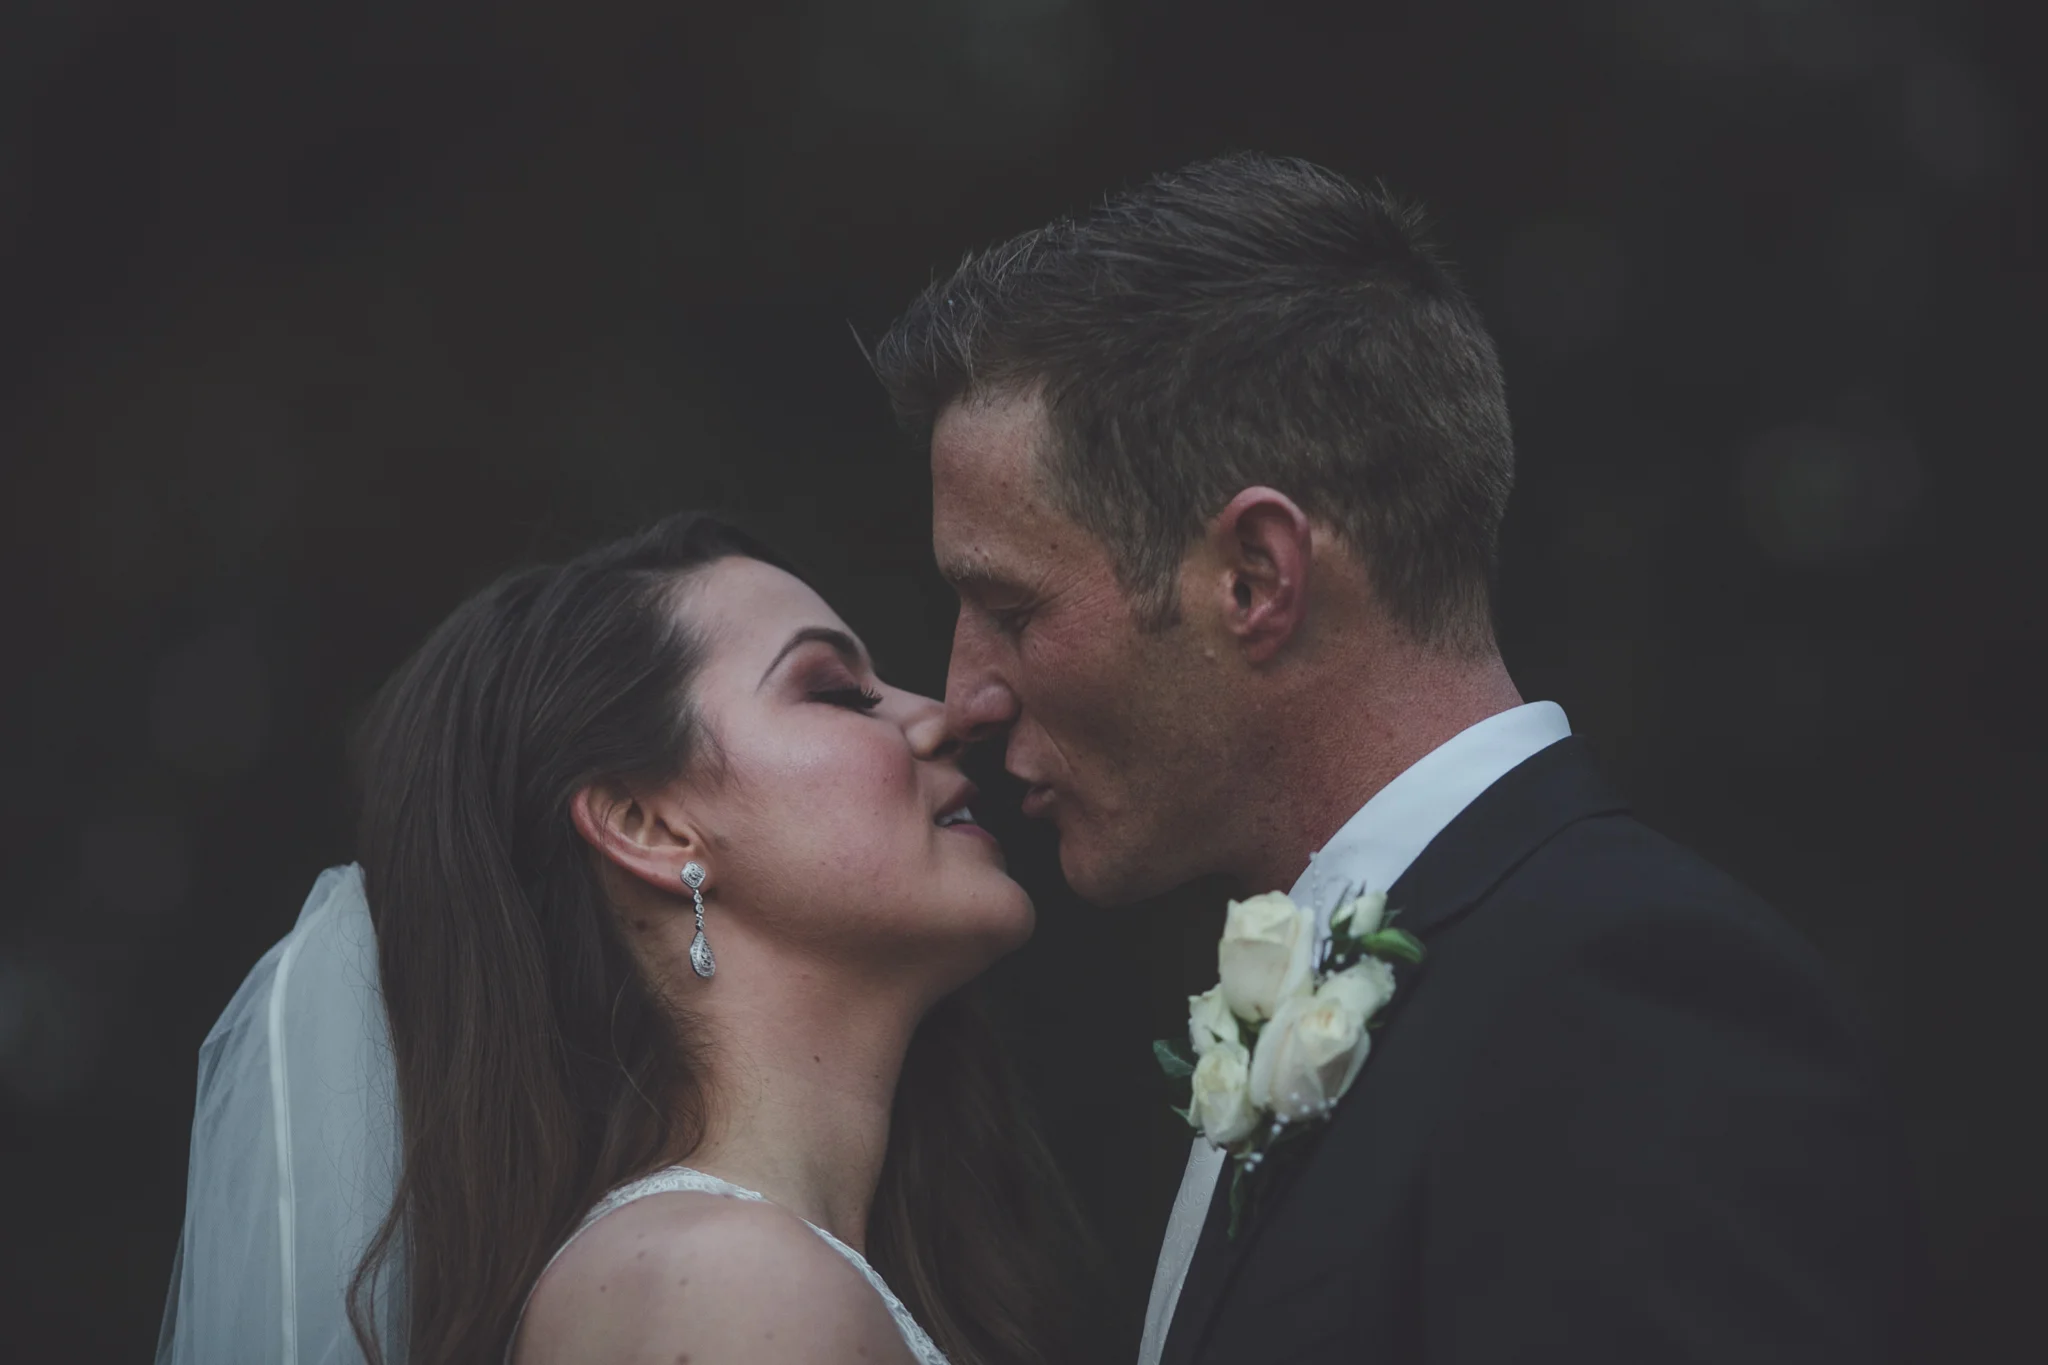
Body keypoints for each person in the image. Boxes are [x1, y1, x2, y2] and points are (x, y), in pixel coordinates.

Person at [872, 152, 1926, 1364]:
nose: (964, 696)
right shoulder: (1448, 982)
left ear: (1256, 580)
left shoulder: (1625, 1004)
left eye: (1010, 609)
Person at [158, 514, 1101, 1365]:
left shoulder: (750, 1275)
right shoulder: (729, 1292)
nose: (939, 718)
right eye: (840, 691)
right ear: (649, 826)